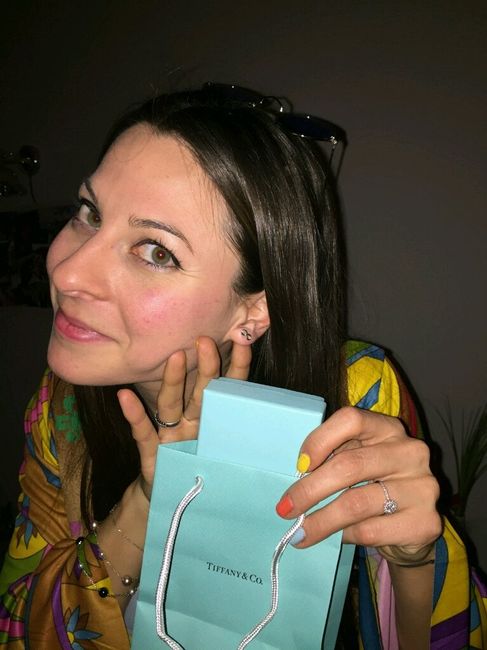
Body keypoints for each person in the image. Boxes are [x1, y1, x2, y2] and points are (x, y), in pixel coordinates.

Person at [0, 84, 484, 650]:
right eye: (89, 213)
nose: (66, 273)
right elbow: (18, 625)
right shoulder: (61, 409)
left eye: (156, 251)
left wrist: (414, 560)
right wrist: (152, 500)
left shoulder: (353, 396)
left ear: (253, 311)